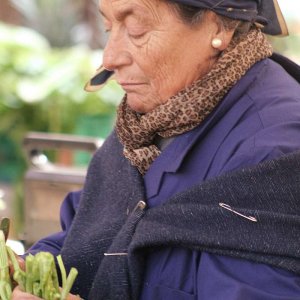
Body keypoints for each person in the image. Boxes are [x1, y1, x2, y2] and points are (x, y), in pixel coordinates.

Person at [12, 0, 300, 299]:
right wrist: (29, 270)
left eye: (136, 29)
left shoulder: (275, 149)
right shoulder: (154, 121)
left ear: (218, 27)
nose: (109, 58)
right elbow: (89, 237)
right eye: (108, 27)